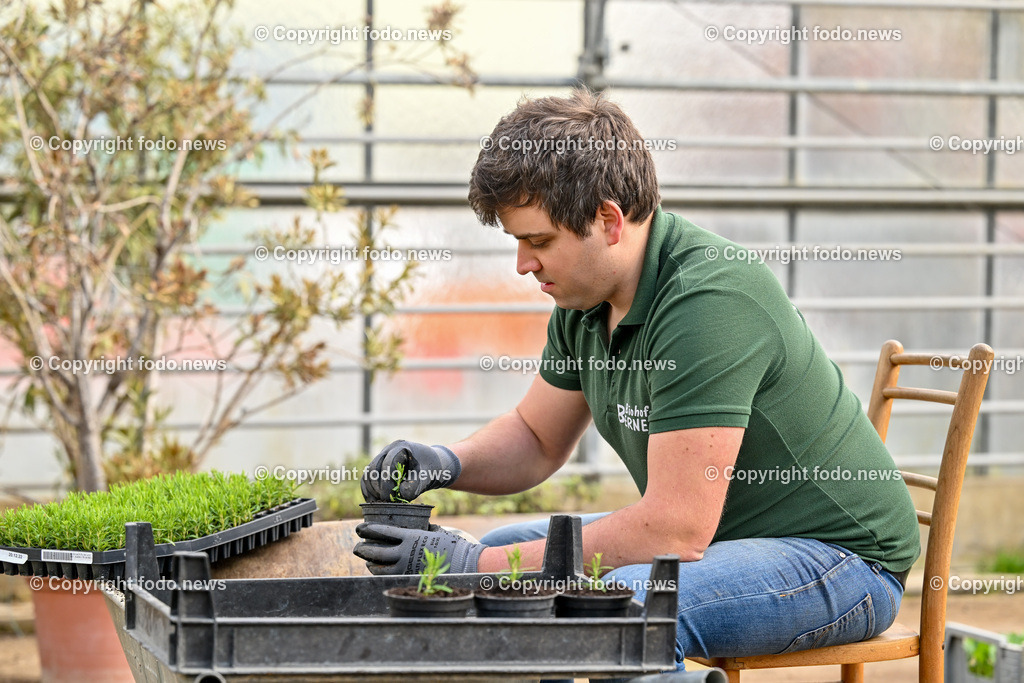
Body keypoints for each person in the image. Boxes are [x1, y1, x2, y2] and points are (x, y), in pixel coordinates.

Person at [354, 89, 920, 667]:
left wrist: (472, 568)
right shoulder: (584, 304)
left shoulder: (709, 301)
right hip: (724, 540)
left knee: (623, 612)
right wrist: (446, 462)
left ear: (608, 220)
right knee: (502, 554)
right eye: (517, 241)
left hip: (840, 560)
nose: (523, 264)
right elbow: (536, 437)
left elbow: (675, 530)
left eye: (538, 240)